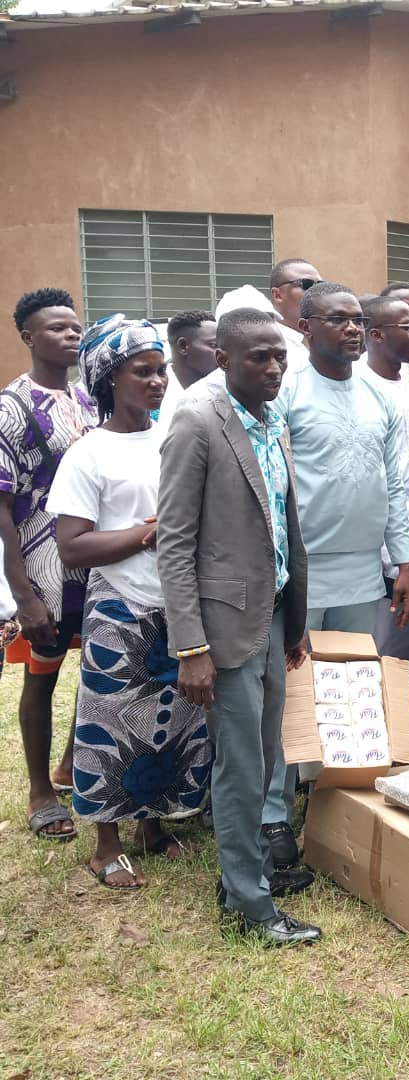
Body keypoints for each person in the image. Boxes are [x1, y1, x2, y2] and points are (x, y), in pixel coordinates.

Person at [157, 307, 319, 946]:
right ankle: (250, 905)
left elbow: (283, 525)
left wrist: (296, 621)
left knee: (267, 753)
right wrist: (191, 646)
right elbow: (175, 543)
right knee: (241, 767)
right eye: (259, 357)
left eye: (279, 355)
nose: (275, 367)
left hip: (273, 613)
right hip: (222, 630)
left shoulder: (273, 420)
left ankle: (246, 875)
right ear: (222, 358)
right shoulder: (198, 423)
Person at [47, 316, 210, 888]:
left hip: (180, 603)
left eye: (160, 370)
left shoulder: (176, 435)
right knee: (111, 724)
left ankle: (154, 825)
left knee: (171, 719)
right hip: (121, 607)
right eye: (143, 372)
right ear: (109, 379)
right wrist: (151, 532)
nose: (158, 381)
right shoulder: (89, 454)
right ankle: (105, 845)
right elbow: (72, 546)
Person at [268, 283, 409, 863]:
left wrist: (400, 560)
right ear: (305, 327)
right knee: (288, 694)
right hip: (302, 574)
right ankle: (274, 817)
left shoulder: (379, 396)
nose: (352, 329)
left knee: (350, 692)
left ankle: (338, 807)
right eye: (338, 319)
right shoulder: (287, 394)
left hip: (362, 570)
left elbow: (396, 484)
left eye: (358, 320)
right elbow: (273, 486)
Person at [0, 288, 97, 840]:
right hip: (42, 568)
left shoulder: (88, 401)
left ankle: (70, 766)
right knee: (42, 675)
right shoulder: (11, 408)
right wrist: (24, 594)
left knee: (96, 670)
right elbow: (1, 511)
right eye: (57, 328)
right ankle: (41, 791)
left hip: (90, 559)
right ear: (28, 337)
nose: (71, 334)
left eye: (75, 327)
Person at [361, 296, 409, 666]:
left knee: (401, 659)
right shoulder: (358, 387)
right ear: (375, 335)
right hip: (379, 558)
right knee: (374, 658)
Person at [157, 310, 217, 428]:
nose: (222, 353)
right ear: (183, 346)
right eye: (214, 345)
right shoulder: (152, 395)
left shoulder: (225, 392)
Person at [269, 256, 322, 366]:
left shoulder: (326, 340)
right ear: (277, 295)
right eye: (306, 284)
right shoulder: (265, 342)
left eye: (320, 286)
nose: (316, 292)